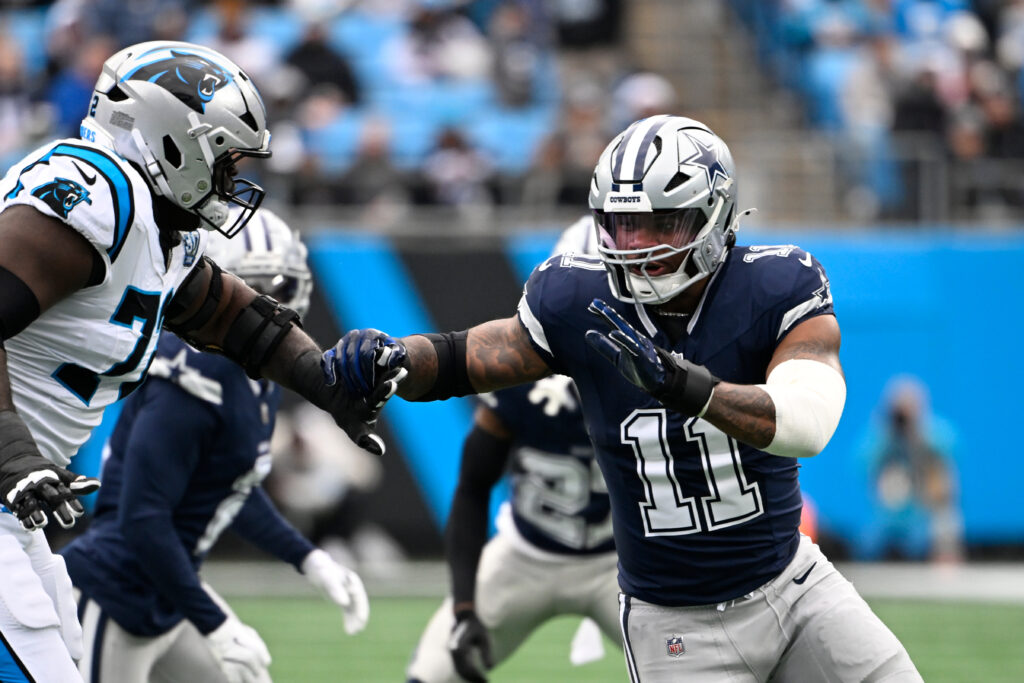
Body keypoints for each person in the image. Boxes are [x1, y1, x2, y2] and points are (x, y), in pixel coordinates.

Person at [332, 115, 923, 682]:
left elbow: (809, 423)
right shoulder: (575, 298)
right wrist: (395, 358)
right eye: (620, 224)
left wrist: (684, 386)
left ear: (711, 218)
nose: (634, 245)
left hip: (795, 584)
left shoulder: (776, 284)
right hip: (677, 623)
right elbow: (469, 356)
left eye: (660, 225)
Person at [0, 40, 395, 682]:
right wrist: (11, 452)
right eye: (225, 157)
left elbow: (238, 320)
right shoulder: (96, 198)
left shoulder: (155, 227)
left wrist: (328, 383)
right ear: (170, 141)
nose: (234, 177)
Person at [60, 208, 370, 683]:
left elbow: (233, 488)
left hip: (171, 595)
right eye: (257, 289)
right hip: (115, 596)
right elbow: (142, 518)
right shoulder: (193, 376)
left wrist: (309, 559)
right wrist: (218, 625)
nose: (273, 307)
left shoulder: (258, 377)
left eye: (282, 289)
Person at [408, 365, 620, 682]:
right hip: (526, 556)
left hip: (623, 563)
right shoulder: (524, 385)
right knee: (434, 672)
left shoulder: (650, 385)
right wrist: (465, 608)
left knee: (696, 667)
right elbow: (472, 487)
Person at [858, 375, 964, 563]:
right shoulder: (883, 437)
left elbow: (946, 459)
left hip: (928, 501)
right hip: (894, 507)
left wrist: (916, 434)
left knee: (945, 523)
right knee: (873, 538)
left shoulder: (933, 434)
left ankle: (946, 569)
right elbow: (865, 463)